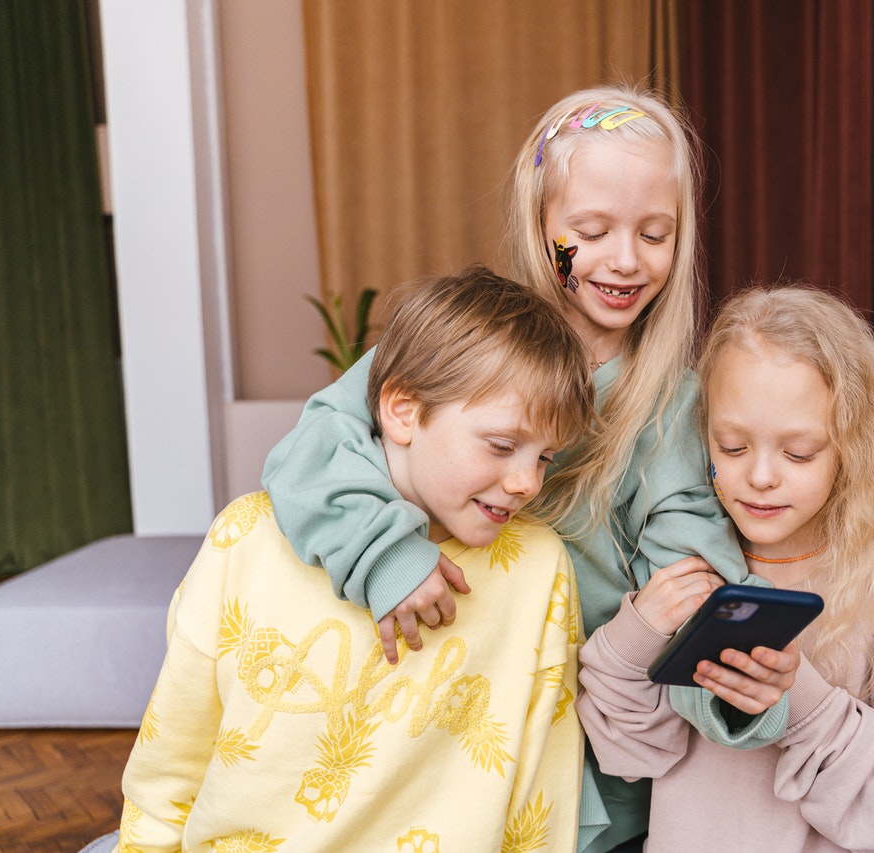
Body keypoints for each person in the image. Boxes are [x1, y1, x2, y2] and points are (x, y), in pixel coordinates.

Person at [260, 84, 775, 852]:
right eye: (591, 230)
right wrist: (384, 553)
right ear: (542, 225)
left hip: (570, 772)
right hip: (424, 725)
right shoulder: (470, 341)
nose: (626, 260)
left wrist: (734, 684)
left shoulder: (671, 405)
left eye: (656, 234)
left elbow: (691, 570)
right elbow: (313, 444)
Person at [114, 267, 594, 852]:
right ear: (403, 411)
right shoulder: (247, 538)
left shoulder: (539, 567)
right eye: (500, 445)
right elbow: (171, 759)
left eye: (545, 458)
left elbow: (543, 788)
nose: (525, 483)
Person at [576, 285, 874, 852]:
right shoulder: (684, 567)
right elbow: (628, 754)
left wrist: (800, 702)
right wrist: (638, 631)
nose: (761, 476)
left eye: (798, 453)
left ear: (853, 444)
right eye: (733, 447)